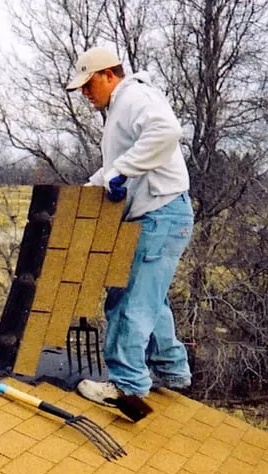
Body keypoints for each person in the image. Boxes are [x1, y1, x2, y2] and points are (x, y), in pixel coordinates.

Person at [66, 46, 194, 409]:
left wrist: (123, 172)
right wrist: (96, 184)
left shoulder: (134, 95)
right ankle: (170, 369)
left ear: (109, 74)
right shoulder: (121, 106)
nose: (86, 95)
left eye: (89, 86)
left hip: (160, 214)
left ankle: (128, 385)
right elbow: (121, 163)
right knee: (150, 298)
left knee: (127, 300)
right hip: (164, 214)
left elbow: (168, 131)